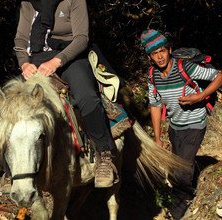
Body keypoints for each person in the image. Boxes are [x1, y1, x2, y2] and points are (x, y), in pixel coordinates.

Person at [13, 0, 118, 188]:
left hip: (69, 57)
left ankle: (104, 155)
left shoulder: (74, 1)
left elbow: (81, 38)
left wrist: (57, 61)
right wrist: (24, 63)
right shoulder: (29, 3)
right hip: (36, 58)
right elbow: (21, 39)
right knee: (2, 106)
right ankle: (8, 167)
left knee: (87, 97)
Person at [140, 29, 222, 218]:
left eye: (162, 51)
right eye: (154, 53)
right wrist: (158, 138)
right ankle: (188, 188)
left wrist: (200, 96)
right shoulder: (152, 75)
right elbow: (155, 105)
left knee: (181, 168)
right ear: (150, 57)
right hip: (174, 126)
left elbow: (218, 76)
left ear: (169, 50)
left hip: (195, 123)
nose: (159, 57)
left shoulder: (186, 67)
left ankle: (178, 208)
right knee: (178, 164)